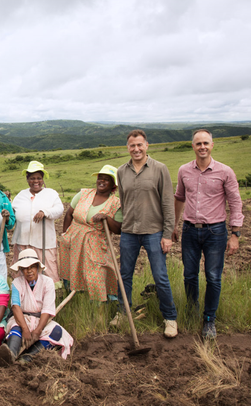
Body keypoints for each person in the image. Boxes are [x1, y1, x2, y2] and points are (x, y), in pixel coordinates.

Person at [173, 129, 244, 339]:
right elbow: (179, 198)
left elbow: (235, 202)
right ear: (192, 146)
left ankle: (209, 320)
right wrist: (174, 226)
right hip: (189, 231)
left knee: (213, 277)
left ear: (212, 145)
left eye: (206, 143)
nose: (202, 147)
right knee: (189, 274)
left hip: (216, 232)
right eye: (198, 143)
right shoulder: (184, 170)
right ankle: (192, 310)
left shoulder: (225, 172)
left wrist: (235, 234)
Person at [114, 130, 178, 338]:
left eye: (140, 145)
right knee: (124, 276)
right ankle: (123, 313)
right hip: (129, 232)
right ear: (128, 148)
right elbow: (123, 202)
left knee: (160, 277)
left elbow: (168, 204)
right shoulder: (122, 171)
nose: (136, 149)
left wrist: (167, 234)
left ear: (147, 145)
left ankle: (170, 319)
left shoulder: (160, 169)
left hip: (154, 231)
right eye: (132, 146)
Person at [0, 249, 74, 365]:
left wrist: (38, 330)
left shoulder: (47, 282)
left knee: (56, 332)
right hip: (22, 319)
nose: (29, 271)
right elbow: (16, 307)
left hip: (41, 320)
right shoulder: (17, 283)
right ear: (21, 270)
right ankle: (10, 355)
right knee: (15, 329)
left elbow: (47, 309)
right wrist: (25, 329)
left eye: (32, 267)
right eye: (25, 268)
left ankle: (26, 359)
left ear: (37, 267)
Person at [59, 165, 123, 301]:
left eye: (107, 179)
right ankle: (77, 300)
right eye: (100, 178)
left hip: (96, 244)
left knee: (95, 274)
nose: (102, 181)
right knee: (74, 271)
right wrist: (65, 235)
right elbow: (69, 214)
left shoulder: (115, 203)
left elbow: (118, 229)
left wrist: (107, 217)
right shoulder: (84, 194)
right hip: (74, 239)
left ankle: (100, 304)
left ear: (113, 185)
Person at [11, 161, 64, 284]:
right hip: (22, 241)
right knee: (24, 269)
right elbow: (13, 211)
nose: (36, 181)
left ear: (43, 179)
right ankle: (23, 295)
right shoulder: (21, 195)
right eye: (32, 178)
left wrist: (45, 212)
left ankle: (50, 296)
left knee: (47, 269)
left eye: (39, 178)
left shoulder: (51, 194)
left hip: (44, 242)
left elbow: (59, 210)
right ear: (27, 179)